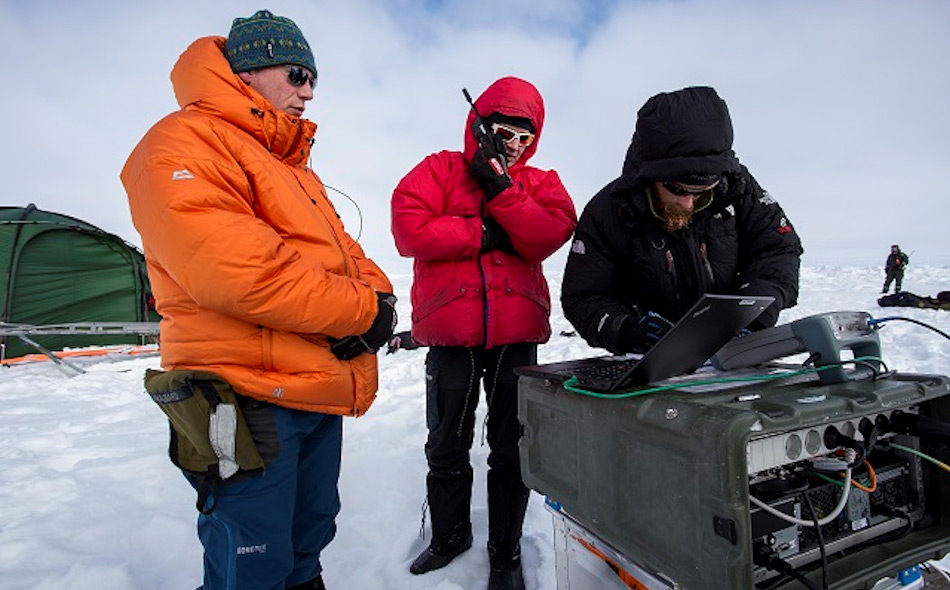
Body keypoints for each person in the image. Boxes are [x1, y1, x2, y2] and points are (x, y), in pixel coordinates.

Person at [121, 10, 395, 590]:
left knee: (307, 538)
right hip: (243, 394)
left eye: (314, 79)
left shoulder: (292, 169)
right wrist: (362, 312)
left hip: (313, 383)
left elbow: (348, 255)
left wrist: (377, 301)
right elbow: (242, 272)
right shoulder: (180, 144)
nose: (309, 92)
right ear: (249, 69)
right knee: (253, 557)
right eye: (297, 74)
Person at [391, 76, 577, 590]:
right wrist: (484, 233)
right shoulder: (437, 170)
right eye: (505, 132)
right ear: (480, 125)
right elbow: (409, 229)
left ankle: (506, 552)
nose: (516, 146)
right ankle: (449, 537)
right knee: (446, 445)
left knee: (511, 448)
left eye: (526, 137)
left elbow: (547, 233)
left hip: (515, 337)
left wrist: (500, 189)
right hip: (451, 338)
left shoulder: (541, 183)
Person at [562, 86, 802, 355]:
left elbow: (777, 251)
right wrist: (626, 329)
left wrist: (752, 315)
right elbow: (583, 296)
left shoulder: (739, 190)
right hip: (652, 367)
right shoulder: (609, 211)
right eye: (677, 189)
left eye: (702, 193)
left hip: (736, 357)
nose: (687, 203)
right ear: (649, 175)